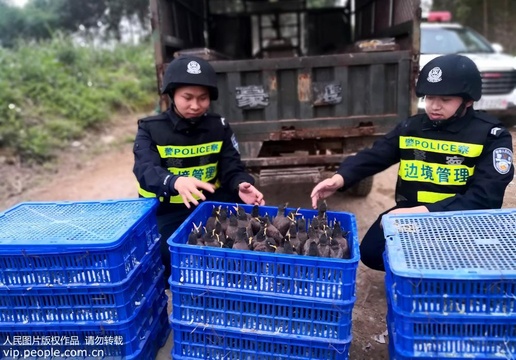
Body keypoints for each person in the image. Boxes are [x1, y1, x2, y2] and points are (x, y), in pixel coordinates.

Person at [310, 54, 514, 271]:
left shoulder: (491, 135)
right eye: (429, 98)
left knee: (457, 264)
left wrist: (421, 212)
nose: (434, 106)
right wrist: (339, 179)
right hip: (411, 214)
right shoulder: (412, 127)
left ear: (468, 100)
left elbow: (485, 199)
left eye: (445, 100)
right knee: (371, 252)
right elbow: (376, 154)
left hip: (461, 222)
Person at [133, 55, 265, 283]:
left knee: (244, 247)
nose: (195, 105)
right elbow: (145, 170)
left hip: (208, 206)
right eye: (188, 97)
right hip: (166, 211)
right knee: (168, 258)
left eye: (202, 98)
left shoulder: (219, 126)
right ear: (172, 94)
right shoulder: (150, 129)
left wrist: (241, 183)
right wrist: (174, 182)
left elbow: (232, 166)